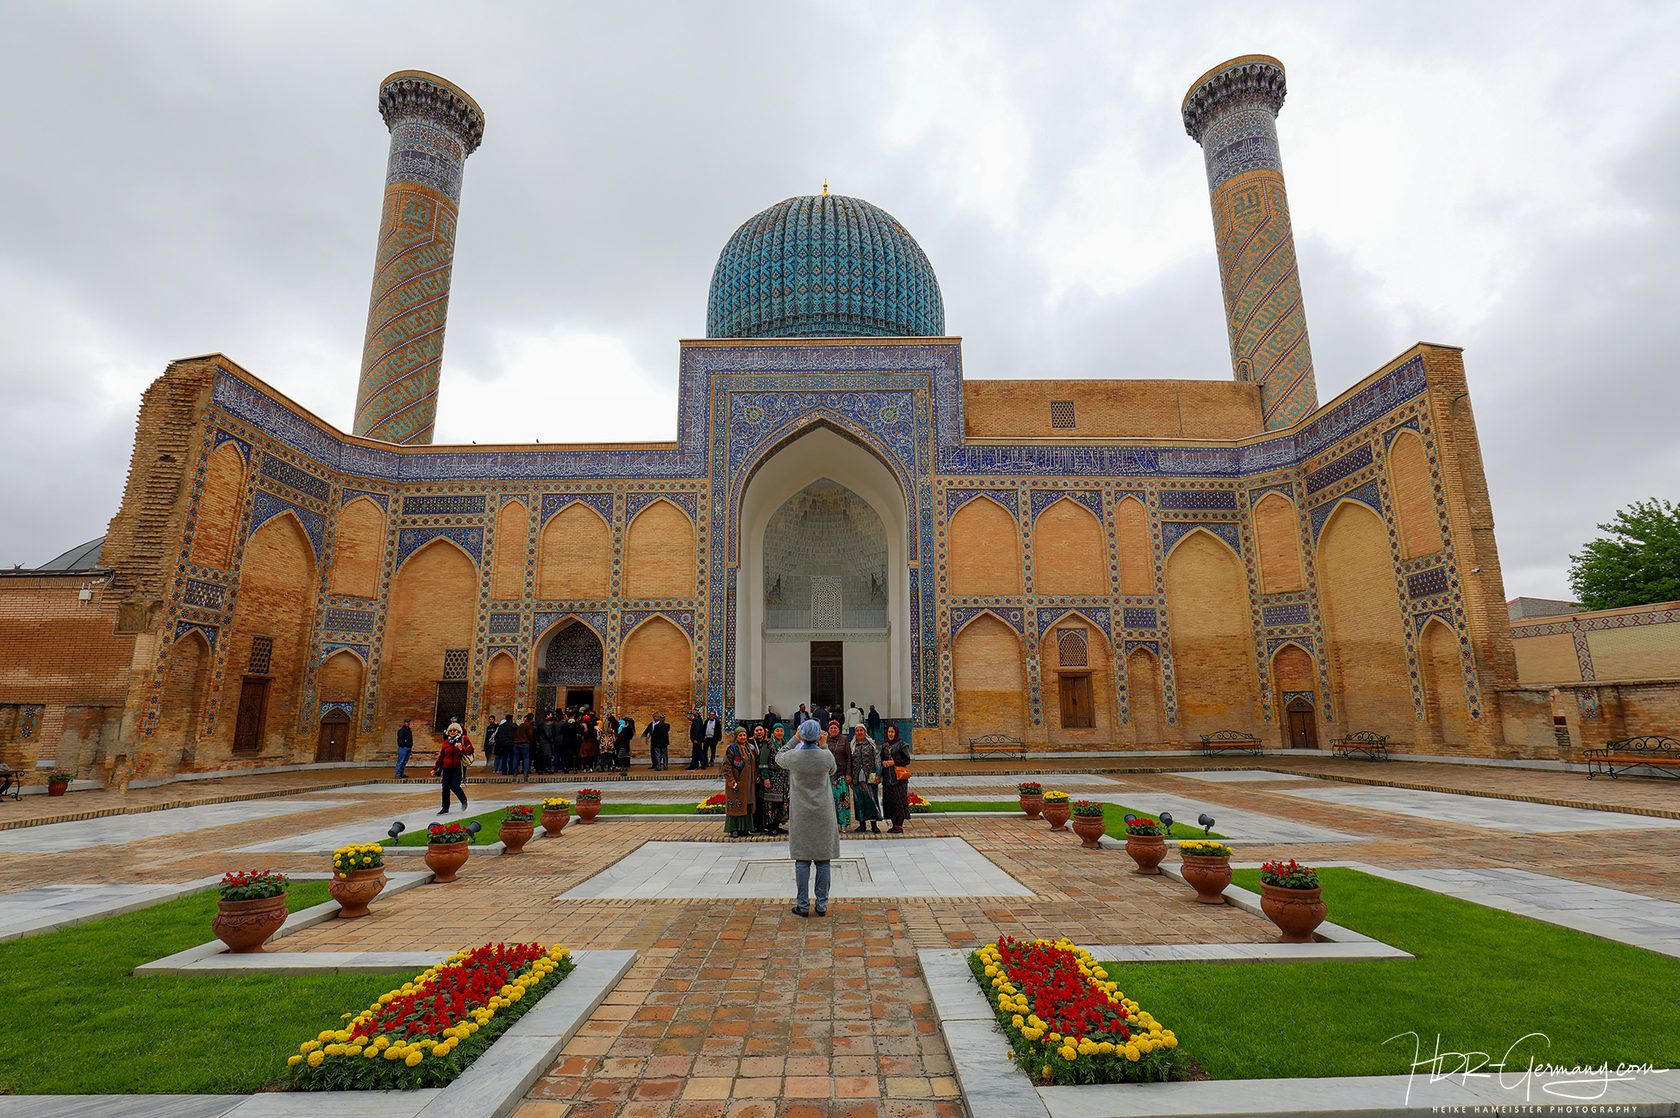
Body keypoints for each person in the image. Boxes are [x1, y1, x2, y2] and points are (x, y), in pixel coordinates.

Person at [777, 720, 838, 917]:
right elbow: (833, 770)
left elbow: (779, 756)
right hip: (823, 812)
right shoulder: (826, 756)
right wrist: (824, 744)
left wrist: (795, 739)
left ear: (803, 734)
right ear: (818, 735)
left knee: (802, 861)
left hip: (801, 813)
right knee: (823, 860)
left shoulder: (794, 757)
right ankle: (821, 905)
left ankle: (802, 905)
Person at [432, 721, 473, 814]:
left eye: (455, 730)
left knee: (454, 786)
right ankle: (445, 807)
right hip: (447, 767)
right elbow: (441, 756)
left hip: (457, 767)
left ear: (458, 731)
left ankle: (463, 800)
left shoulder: (463, 739)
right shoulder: (446, 742)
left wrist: (462, 749)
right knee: (445, 787)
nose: (453, 732)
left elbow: (471, 750)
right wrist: (435, 768)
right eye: (451, 731)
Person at [723, 727, 756, 838]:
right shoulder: (732, 749)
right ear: (736, 737)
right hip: (737, 782)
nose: (743, 737)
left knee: (747, 802)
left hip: (749, 781)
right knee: (735, 803)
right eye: (740, 735)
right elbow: (727, 765)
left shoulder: (750, 748)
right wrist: (731, 779)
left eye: (744, 735)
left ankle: (744, 828)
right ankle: (734, 829)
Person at [850, 723, 882, 834]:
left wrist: (878, 775)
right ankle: (862, 824)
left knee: (872, 799)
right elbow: (850, 762)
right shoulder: (852, 745)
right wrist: (849, 776)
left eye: (861, 730)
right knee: (859, 800)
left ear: (865, 732)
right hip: (857, 777)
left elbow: (877, 760)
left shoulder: (871, 744)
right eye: (857, 730)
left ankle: (874, 824)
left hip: (871, 775)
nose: (859, 732)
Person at [880, 723, 911, 833]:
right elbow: (880, 759)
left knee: (899, 801)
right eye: (889, 732)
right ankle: (894, 825)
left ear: (896, 732)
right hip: (888, 779)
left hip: (899, 779)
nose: (890, 734)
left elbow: (907, 760)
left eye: (892, 732)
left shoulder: (902, 745)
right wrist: (883, 763)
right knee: (891, 802)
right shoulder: (884, 746)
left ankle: (899, 825)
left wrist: (894, 762)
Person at [761, 722, 790, 835]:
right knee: (771, 803)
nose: (780, 733)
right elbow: (763, 761)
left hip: (782, 779)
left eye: (781, 731)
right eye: (777, 730)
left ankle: (777, 825)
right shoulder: (768, 744)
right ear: (773, 732)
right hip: (772, 778)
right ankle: (771, 826)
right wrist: (765, 777)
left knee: (780, 803)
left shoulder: (784, 743)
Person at [824, 718, 851, 830]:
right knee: (829, 800)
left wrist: (848, 774)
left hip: (841, 775)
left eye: (835, 728)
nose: (833, 730)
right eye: (831, 728)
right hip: (828, 776)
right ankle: (831, 824)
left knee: (842, 799)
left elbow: (849, 758)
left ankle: (844, 823)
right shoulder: (825, 740)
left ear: (838, 729)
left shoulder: (844, 739)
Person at [751, 725, 774, 833]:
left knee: (763, 801)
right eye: (757, 730)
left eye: (761, 730)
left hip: (764, 777)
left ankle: (764, 824)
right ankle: (755, 824)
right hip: (753, 777)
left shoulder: (767, 744)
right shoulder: (750, 744)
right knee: (755, 800)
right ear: (753, 732)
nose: (759, 732)